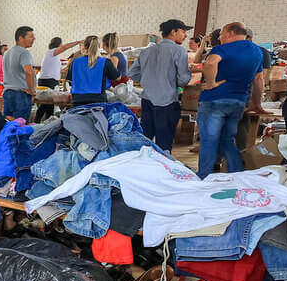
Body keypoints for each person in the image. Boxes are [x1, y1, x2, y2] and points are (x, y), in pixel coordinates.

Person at [196, 21, 265, 178]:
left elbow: (210, 63)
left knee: (209, 141)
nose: (220, 38)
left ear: (231, 33)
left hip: (215, 100)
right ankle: (237, 175)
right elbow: (259, 79)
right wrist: (257, 103)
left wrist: (211, 82)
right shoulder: (257, 51)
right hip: (238, 102)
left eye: (221, 35)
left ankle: (203, 176)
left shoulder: (223, 49)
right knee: (226, 141)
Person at [129, 19, 192, 151]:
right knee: (164, 142)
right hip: (167, 102)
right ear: (173, 32)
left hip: (147, 100)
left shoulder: (147, 51)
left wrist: (149, 80)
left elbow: (132, 73)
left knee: (146, 140)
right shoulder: (179, 51)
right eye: (183, 32)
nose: (185, 35)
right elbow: (183, 80)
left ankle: (145, 166)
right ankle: (163, 166)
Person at [34, 37, 78, 122]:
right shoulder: (52, 52)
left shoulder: (54, 55)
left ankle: (47, 121)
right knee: (46, 103)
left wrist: (63, 70)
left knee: (50, 104)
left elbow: (54, 69)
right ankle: (38, 121)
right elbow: (65, 47)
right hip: (47, 81)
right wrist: (77, 42)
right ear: (59, 44)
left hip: (50, 80)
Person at [65, 34, 114, 107]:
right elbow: (116, 77)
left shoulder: (75, 62)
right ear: (99, 47)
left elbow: (69, 80)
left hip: (78, 100)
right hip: (98, 100)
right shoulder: (105, 62)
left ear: (84, 46)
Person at [2, 27, 37, 120]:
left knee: (9, 125)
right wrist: (32, 91)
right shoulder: (24, 53)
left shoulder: (7, 53)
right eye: (31, 36)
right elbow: (29, 72)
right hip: (21, 95)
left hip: (7, 93)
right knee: (20, 126)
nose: (34, 39)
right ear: (20, 38)